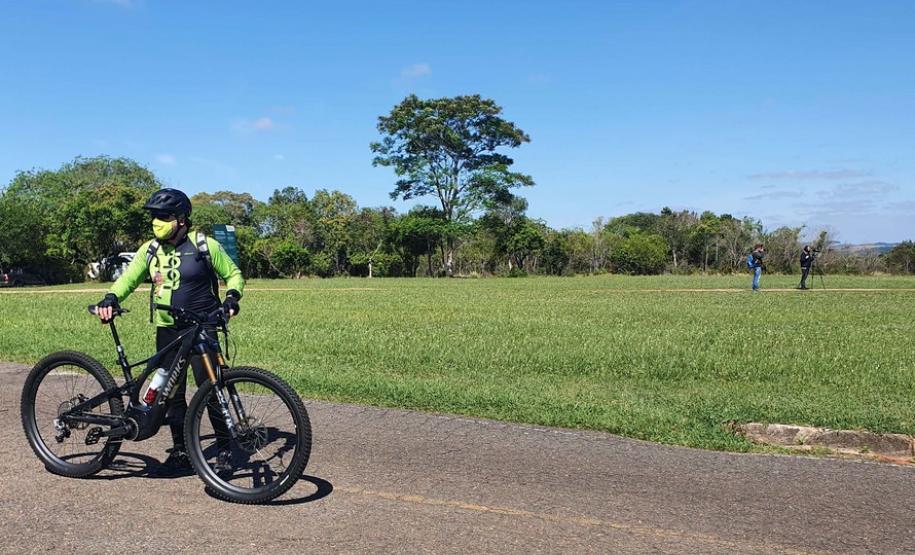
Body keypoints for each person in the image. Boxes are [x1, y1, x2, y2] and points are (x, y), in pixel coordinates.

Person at [95, 188, 244, 474]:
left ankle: (225, 449)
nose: (156, 222)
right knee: (171, 394)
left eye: (163, 216)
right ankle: (181, 449)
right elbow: (128, 279)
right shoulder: (149, 250)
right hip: (168, 331)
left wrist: (232, 298)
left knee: (211, 390)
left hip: (203, 329)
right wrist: (112, 298)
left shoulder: (204, 246)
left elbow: (233, 273)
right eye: (154, 217)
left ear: (182, 220)